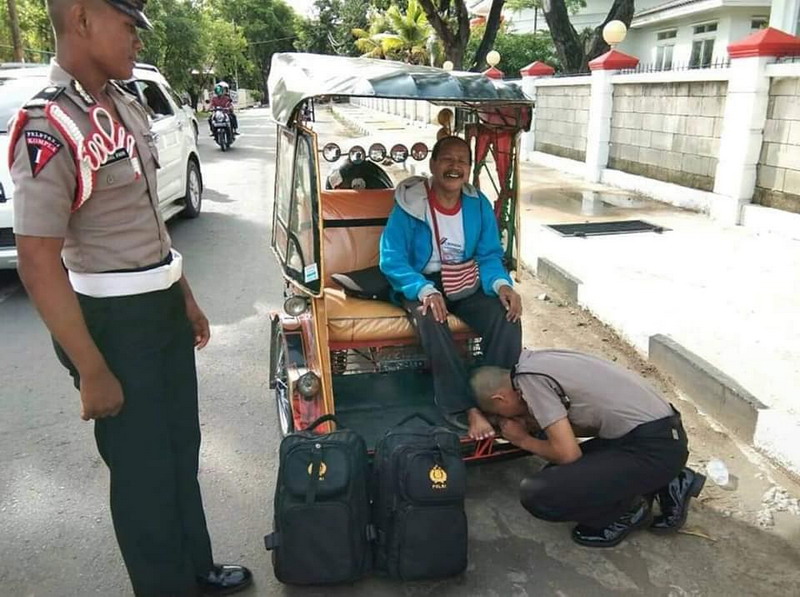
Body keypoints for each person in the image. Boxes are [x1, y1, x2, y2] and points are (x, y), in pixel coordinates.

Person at [9, 0, 251, 594]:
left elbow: (149, 227)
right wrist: (92, 369)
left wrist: (185, 297)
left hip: (160, 306)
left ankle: (195, 566)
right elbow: (39, 261)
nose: (138, 40)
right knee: (142, 474)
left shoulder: (124, 103)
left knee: (179, 450)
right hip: (113, 326)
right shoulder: (49, 127)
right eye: (128, 25)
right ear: (85, 19)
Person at [470, 349, 705, 547]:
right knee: (559, 475)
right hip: (662, 433)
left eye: (500, 416)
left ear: (500, 399)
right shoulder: (535, 360)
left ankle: (628, 512)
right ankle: (670, 479)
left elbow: (568, 453)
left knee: (541, 494)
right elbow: (591, 420)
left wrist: (521, 439)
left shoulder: (529, 381)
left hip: (653, 447)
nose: (506, 420)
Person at [380, 136, 523, 441]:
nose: (454, 166)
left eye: (462, 161)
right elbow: (392, 259)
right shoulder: (410, 205)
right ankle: (463, 408)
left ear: (470, 169)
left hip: (465, 280)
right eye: (447, 159)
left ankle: (495, 399)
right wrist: (423, 290)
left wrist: (501, 285)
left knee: (506, 316)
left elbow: (488, 255)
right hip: (422, 283)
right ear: (432, 164)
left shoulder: (478, 204)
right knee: (433, 318)